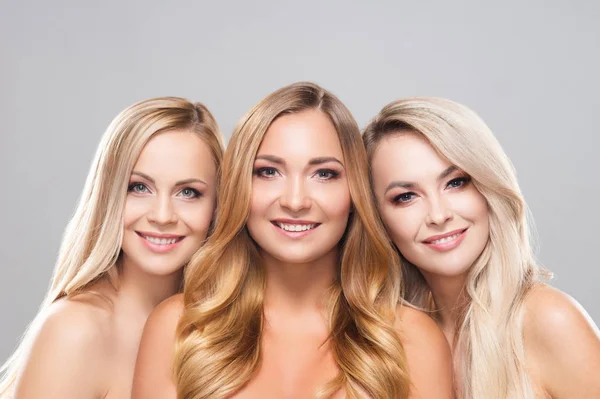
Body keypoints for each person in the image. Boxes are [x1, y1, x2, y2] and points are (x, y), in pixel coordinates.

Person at [132, 83, 453, 399]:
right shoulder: (178, 327)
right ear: (239, 186)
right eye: (269, 172)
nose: (296, 201)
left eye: (324, 174)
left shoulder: (413, 340)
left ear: (355, 190)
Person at [363, 97, 600, 398]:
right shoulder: (390, 338)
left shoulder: (549, 320)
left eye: (455, 182)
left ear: (488, 185)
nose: (439, 215)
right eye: (406, 196)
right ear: (377, 218)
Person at [0, 97, 224, 398]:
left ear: (218, 205)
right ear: (109, 194)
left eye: (188, 192)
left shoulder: (224, 326)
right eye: (139, 187)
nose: (162, 216)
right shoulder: (74, 330)